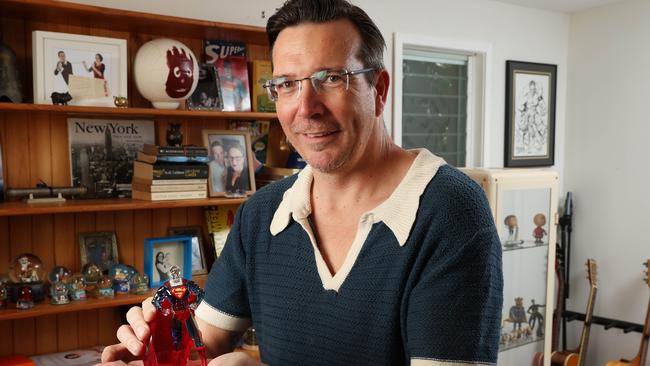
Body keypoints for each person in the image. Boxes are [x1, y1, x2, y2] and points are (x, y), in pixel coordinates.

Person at [100, 1, 502, 365]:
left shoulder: (451, 213)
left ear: (378, 91)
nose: (305, 108)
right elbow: (203, 345)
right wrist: (153, 347)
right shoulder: (262, 213)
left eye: (330, 78)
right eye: (287, 84)